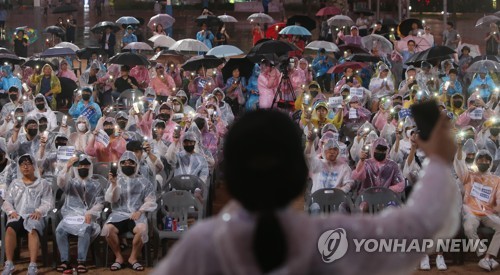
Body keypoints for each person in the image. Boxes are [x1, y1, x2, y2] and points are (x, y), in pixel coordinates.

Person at [152, 110, 460, 275]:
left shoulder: (202, 246)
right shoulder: (335, 240)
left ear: (230, 180)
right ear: (301, 176)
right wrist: (440, 160)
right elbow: (420, 226)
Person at [101, 151, 157, 272]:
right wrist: (114, 184)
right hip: (118, 214)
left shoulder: (144, 182)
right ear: (120, 165)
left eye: (130, 163)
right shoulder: (115, 180)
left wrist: (140, 211)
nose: (127, 165)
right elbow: (110, 199)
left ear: (136, 165)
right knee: (107, 229)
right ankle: (119, 257)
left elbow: (151, 200)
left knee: (142, 230)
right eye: (124, 163)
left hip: (136, 214)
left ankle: (133, 258)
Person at [1, 154, 53, 275]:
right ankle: (9, 264)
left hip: (34, 216)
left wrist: (39, 211)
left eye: (28, 164)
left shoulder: (43, 183)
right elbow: (8, 201)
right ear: (19, 167)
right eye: (22, 164)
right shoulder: (15, 183)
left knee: (32, 230)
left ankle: (32, 265)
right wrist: (11, 211)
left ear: (34, 166)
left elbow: (48, 202)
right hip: (18, 215)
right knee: (9, 229)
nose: (25, 167)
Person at [55, 155, 104, 273]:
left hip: (88, 217)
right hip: (71, 215)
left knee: (85, 229)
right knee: (60, 230)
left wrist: (90, 212)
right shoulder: (70, 182)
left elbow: (100, 202)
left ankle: (81, 261)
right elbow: (60, 182)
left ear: (90, 167)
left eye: (85, 165)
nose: (83, 167)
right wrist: (67, 166)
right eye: (80, 165)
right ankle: (65, 261)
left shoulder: (96, 184)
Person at [455, 148, 500, 271]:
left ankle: (488, 257)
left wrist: (497, 208)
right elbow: (459, 163)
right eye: (480, 160)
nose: (483, 162)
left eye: (486, 160)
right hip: (471, 212)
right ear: (476, 161)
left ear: (490, 163)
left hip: (488, 213)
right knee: (469, 228)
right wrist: (459, 148)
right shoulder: (469, 175)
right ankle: (485, 256)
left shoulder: (496, 180)